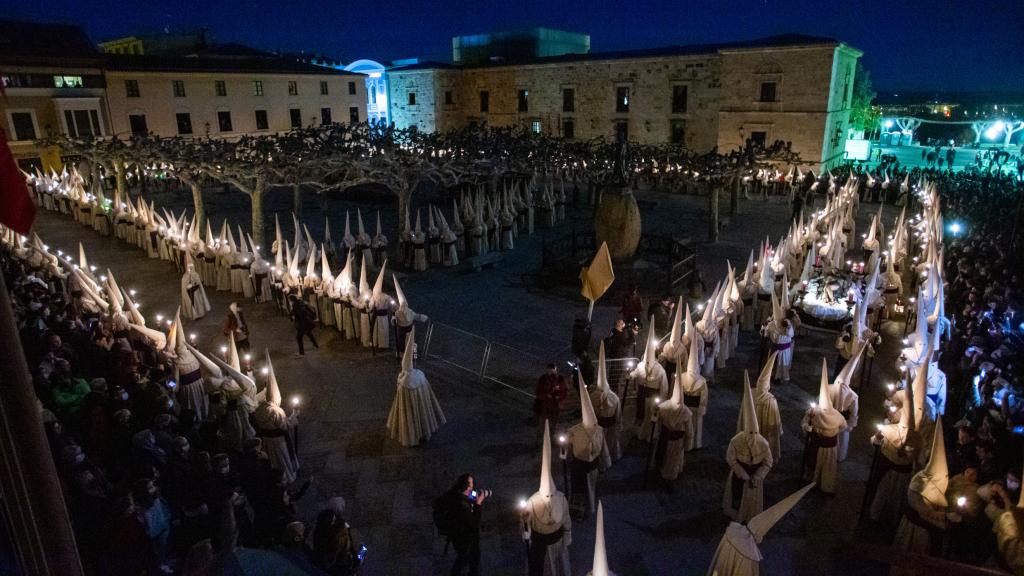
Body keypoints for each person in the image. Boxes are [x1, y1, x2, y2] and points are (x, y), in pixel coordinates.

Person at [521, 422, 571, 576]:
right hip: (541, 543)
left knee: (559, 566)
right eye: (547, 496)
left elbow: (566, 519)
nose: (550, 498)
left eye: (551, 495)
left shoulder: (561, 499)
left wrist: (567, 536)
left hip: (557, 540)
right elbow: (524, 524)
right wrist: (526, 532)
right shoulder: (531, 503)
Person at [723, 371, 773, 522]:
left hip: (755, 475)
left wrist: (758, 475)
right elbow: (730, 458)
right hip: (740, 474)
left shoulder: (763, 443)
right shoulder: (737, 441)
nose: (752, 437)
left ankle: (750, 513)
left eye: (754, 433)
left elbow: (768, 462)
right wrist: (741, 473)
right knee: (737, 496)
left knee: (751, 499)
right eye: (749, 433)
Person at [801, 359, 847, 494]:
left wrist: (833, 432)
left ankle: (825, 486)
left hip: (829, 447)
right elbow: (804, 422)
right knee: (813, 462)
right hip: (816, 443)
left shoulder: (837, 416)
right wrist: (807, 428)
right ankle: (811, 480)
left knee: (827, 467)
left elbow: (843, 426)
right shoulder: (814, 413)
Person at [568, 373, 605, 516]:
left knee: (590, 488)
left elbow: (602, 447)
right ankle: (577, 509)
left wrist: (603, 462)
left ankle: (589, 508)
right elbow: (568, 441)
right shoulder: (575, 430)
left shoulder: (599, 430)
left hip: (592, 466)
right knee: (578, 488)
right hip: (578, 465)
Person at [442, 473, 488, 576]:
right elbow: (474, 522)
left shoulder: (458, 493)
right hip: (466, 537)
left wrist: (478, 496)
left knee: (464, 556)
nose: (473, 485)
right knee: (467, 557)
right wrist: (478, 504)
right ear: (467, 486)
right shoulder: (462, 506)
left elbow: (471, 495)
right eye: (471, 483)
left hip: (457, 536)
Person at [534, 364, 568, 429]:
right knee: (542, 423)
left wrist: (559, 397)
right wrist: (545, 395)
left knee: (553, 422)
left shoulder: (560, 379)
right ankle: (542, 435)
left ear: (555, 370)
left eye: (552, 370)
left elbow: (564, 391)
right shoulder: (543, 379)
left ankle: (551, 434)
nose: (551, 372)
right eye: (549, 370)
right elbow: (538, 391)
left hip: (556, 405)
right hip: (544, 405)